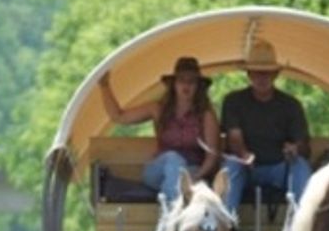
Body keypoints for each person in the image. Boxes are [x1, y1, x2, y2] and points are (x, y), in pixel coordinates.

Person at [98, 57, 219, 202]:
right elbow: (119, 116)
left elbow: (212, 156)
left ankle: (169, 214)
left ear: (198, 86)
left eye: (191, 81)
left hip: (191, 171)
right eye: (181, 80)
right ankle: (175, 208)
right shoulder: (158, 109)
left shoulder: (205, 115)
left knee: (176, 178)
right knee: (173, 158)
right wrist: (104, 85)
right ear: (174, 84)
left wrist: (196, 177)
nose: (186, 86)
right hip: (158, 170)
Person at [220, 39, 312, 212]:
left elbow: (304, 144)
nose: (262, 78)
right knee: (231, 167)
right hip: (246, 168)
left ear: (275, 75)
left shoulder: (290, 105)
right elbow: (234, 137)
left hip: (279, 167)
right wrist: (244, 155)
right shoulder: (233, 101)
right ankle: (225, 225)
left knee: (300, 165)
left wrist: (294, 149)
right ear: (249, 74)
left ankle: (303, 222)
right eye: (257, 72)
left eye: (267, 73)